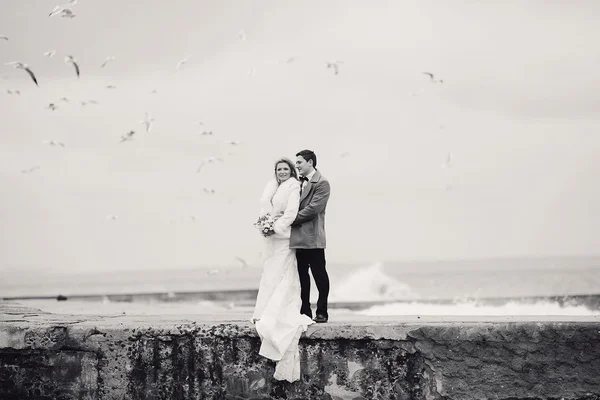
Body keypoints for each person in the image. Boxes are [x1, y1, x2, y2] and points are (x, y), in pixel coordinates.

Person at [251, 158, 314, 383]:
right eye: (280, 169)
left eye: (286, 169)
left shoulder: (293, 187)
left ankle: (278, 310)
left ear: (291, 171)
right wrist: (264, 224)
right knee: (269, 274)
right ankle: (263, 309)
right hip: (271, 238)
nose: (283, 172)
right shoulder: (274, 186)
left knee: (282, 273)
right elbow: (265, 207)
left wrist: (275, 227)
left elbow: (291, 213)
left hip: (283, 236)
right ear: (275, 172)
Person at [290, 149, 331, 323]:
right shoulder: (295, 183)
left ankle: (322, 311)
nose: (296, 165)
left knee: (319, 275)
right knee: (301, 276)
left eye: (299, 162)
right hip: (297, 238)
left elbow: (313, 209)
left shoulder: (322, 183)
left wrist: (288, 220)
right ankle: (304, 310)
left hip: (313, 238)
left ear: (310, 163)